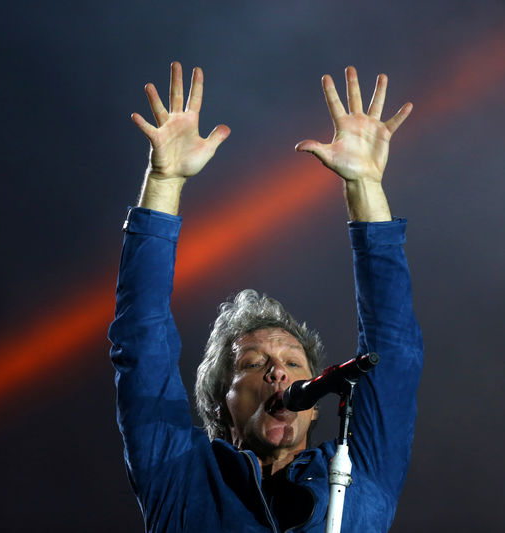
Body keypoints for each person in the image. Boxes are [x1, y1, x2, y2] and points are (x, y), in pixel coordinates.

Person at [109, 61, 423, 532]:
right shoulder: (178, 473)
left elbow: (393, 350)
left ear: (317, 403)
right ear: (220, 403)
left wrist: (365, 187)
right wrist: (165, 182)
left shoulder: (362, 475)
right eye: (254, 363)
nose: (278, 370)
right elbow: (141, 341)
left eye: (294, 364)